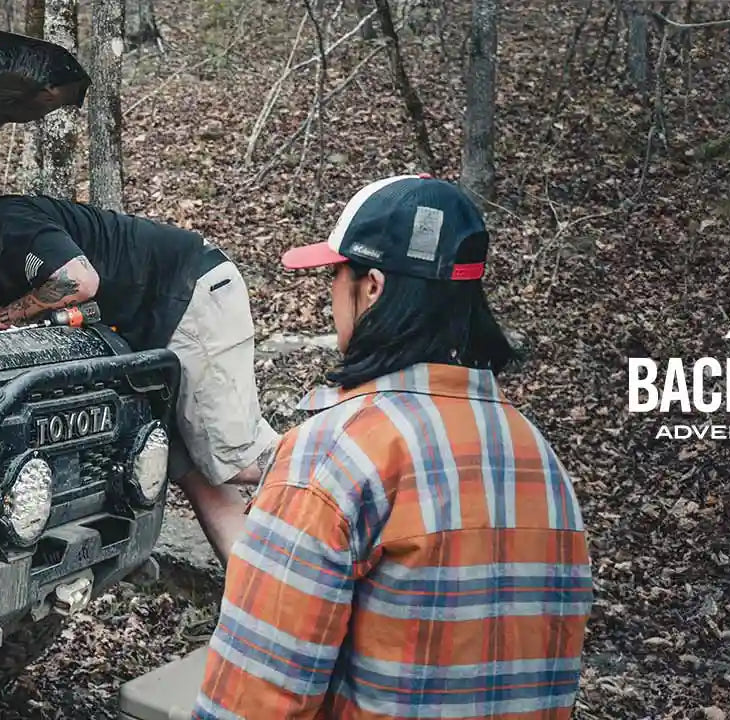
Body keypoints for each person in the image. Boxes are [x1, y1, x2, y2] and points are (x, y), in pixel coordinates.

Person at [192, 175, 595, 719]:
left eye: (335, 276)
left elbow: (254, 700)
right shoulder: (536, 457)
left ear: (372, 287)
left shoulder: (334, 452)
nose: (331, 295)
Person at [0, 184, 279, 556]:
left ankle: (333, 464)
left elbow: (79, 280)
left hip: (188, 294)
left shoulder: (6, 227)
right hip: (148, 324)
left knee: (236, 460)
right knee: (193, 471)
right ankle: (261, 605)